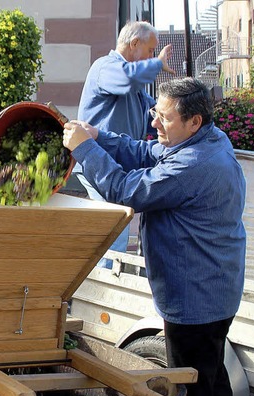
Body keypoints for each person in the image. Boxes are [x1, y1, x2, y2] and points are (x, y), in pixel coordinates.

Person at [63, 77, 246, 396]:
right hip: (216, 291)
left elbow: (125, 190)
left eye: (164, 118)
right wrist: (99, 137)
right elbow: (147, 152)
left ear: (194, 121)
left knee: (190, 395)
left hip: (195, 299)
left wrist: (85, 150)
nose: (153, 123)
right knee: (211, 379)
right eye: (155, 112)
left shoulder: (195, 164)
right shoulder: (208, 137)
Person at [76, 21, 174, 266]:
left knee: (115, 234)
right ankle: (101, 294)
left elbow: (151, 108)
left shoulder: (133, 84)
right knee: (113, 235)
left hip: (114, 166)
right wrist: (157, 65)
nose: (151, 56)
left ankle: (104, 289)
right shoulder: (106, 67)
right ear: (134, 44)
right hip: (98, 164)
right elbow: (127, 79)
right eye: (150, 51)